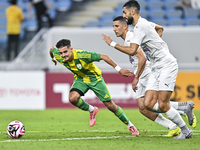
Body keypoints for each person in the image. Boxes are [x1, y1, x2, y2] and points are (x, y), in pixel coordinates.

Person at [101, 1, 193, 139]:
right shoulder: (143, 24)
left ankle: (185, 131)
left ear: (132, 12)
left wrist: (112, 44)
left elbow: (133, 51)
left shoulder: (140, 27)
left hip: (166, 65)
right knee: (147, 105)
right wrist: (155, 42)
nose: (124, 16)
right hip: (156, 67)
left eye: (125, 13)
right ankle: (183, 107)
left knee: (162, 105)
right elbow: (160, 28)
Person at [49, 39, 139, 135]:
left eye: (65, 52)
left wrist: (119, 69)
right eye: (61, 53)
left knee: (110, 106)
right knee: (72, 98)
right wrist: (53, 59)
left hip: (95, 79)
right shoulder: (58, 55)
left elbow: (104, 56)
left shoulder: (83, 55)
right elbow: (52, 49)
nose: (63, 55)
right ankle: (92, 110)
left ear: (71, 49)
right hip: (81, 79)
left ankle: (130, 125)